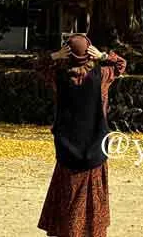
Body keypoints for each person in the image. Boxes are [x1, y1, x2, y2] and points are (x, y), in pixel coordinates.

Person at [35, 32, 126, 237]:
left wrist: (55, 56)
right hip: (95, 148)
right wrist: (103, 56)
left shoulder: (59, 77)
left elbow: (39, 66)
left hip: (67, 149)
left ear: (68, 53)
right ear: (89, 52)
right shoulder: (102, 76)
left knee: (68, 197)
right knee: (92, 199)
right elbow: (121, 65)